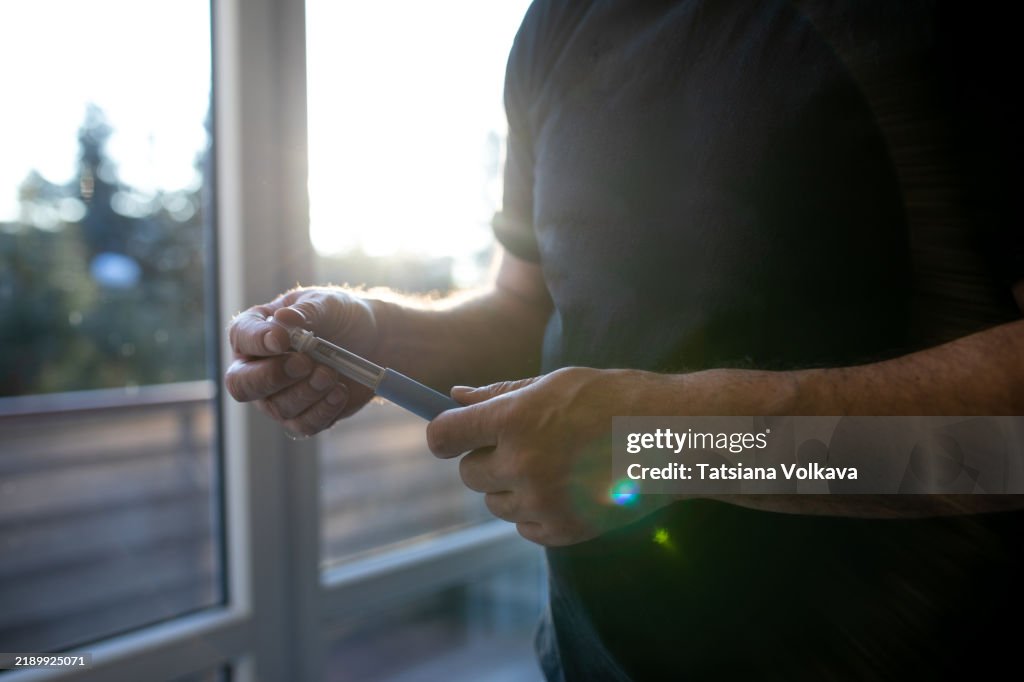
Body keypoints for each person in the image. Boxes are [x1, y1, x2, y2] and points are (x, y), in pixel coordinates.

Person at [227, 1, 1024, 679]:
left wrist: (665, 444)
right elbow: (525, 306)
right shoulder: (557, 25)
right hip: (592, 659)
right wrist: (374, 330)